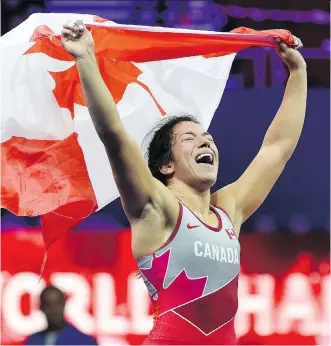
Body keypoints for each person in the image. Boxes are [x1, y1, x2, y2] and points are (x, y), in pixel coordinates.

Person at [61, 20, 307, 345]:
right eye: (190, 139)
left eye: (208, 138)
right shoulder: (157, 208)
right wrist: (86, 59)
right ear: (165, 165)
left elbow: (277, 149)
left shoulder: (228, 211)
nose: (206, 143)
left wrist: (298, 73)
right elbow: (115, 137)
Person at [25, 286, 97, 345]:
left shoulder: (83, 341)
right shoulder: (33, 341)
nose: (54, 310)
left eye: (57, 304)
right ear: (41, 307)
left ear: (64, 304)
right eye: (48, 305)